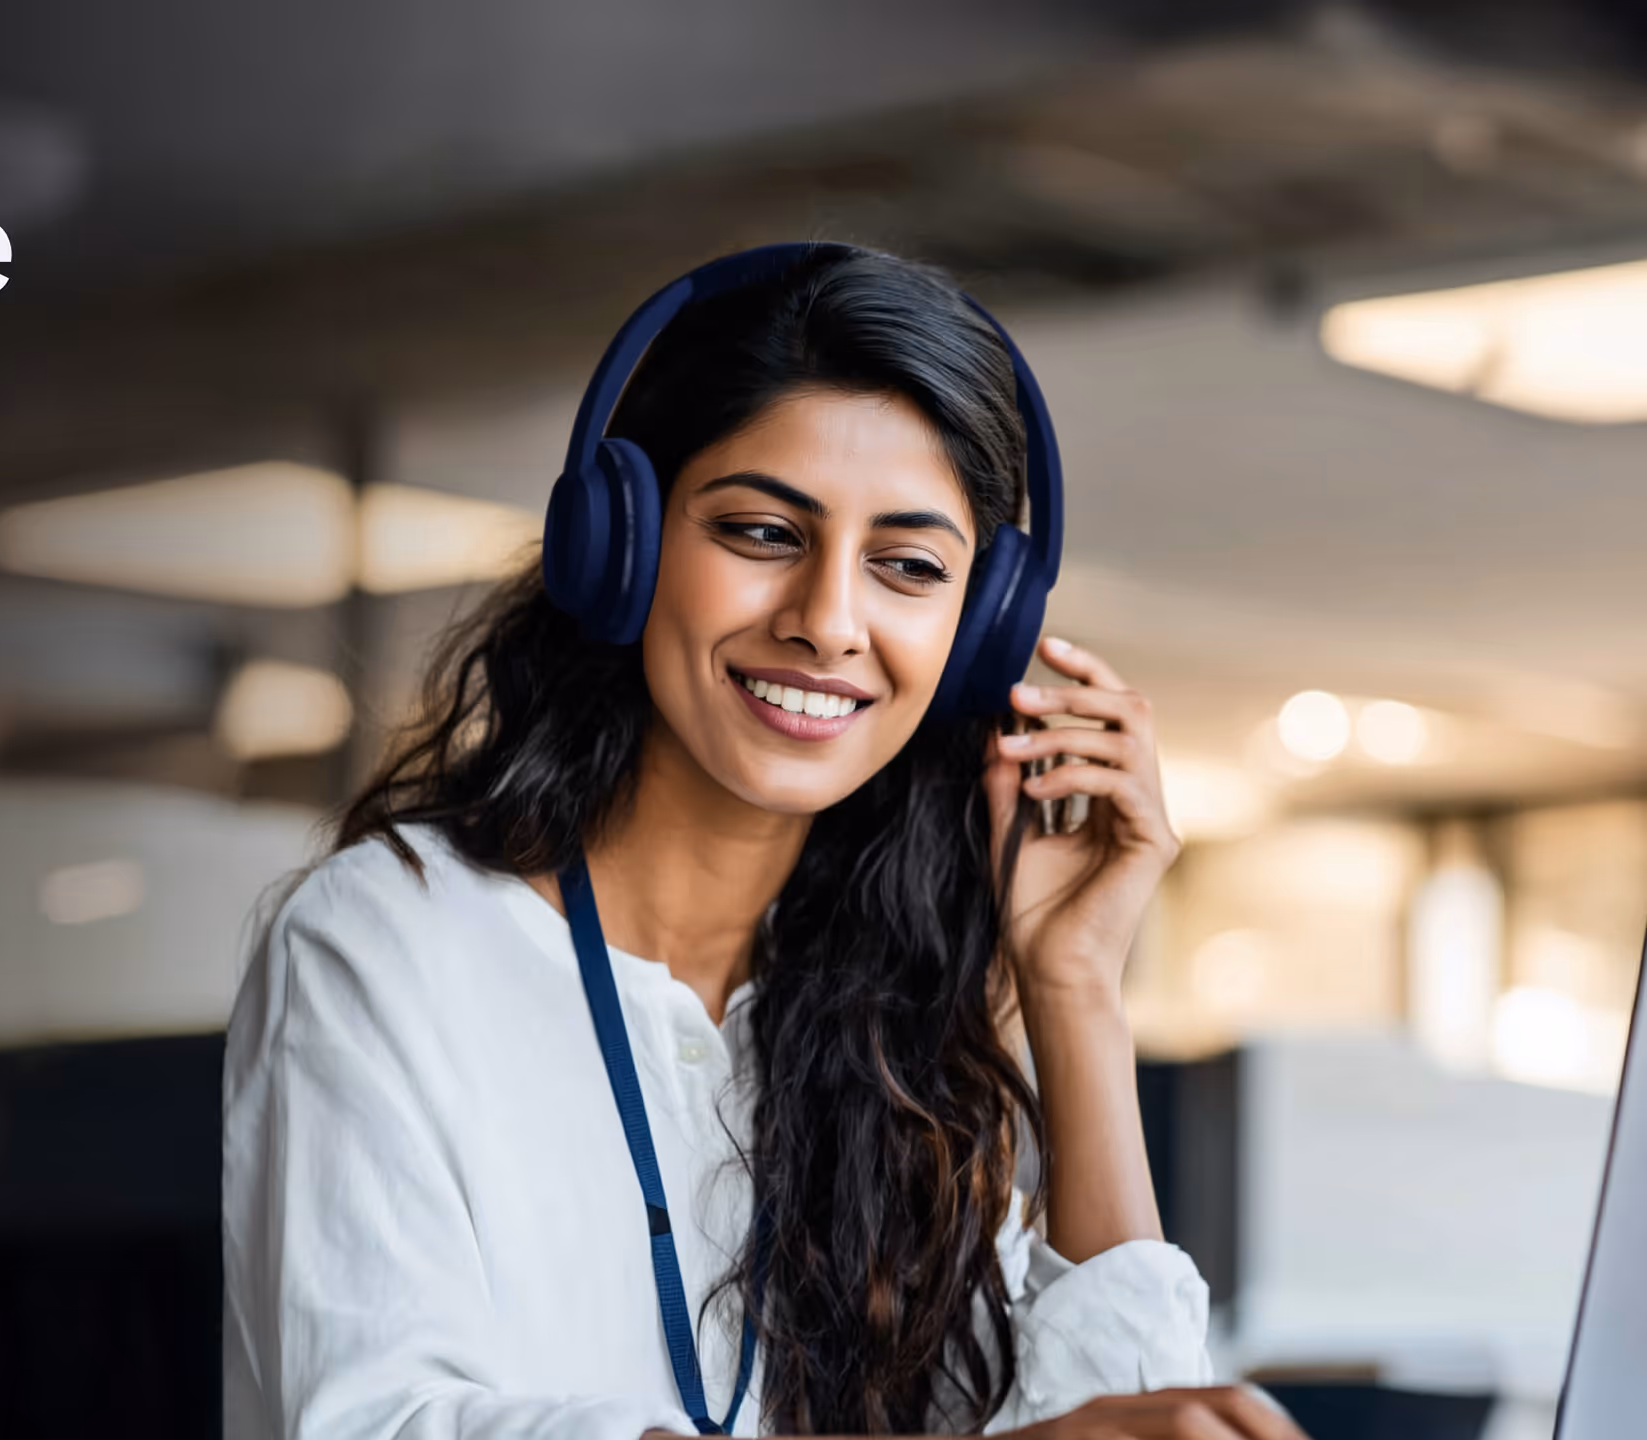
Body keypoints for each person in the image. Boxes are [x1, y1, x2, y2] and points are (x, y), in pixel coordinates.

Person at [221, 244, 1302, 1439]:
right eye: (761, 532)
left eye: (906, 566)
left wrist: (1073, 986)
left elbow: (1110, 1424)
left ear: (978, 629)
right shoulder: (387, 939)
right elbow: (377, 1423)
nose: (828, 622)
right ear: (619, 547)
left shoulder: (891, 1027)